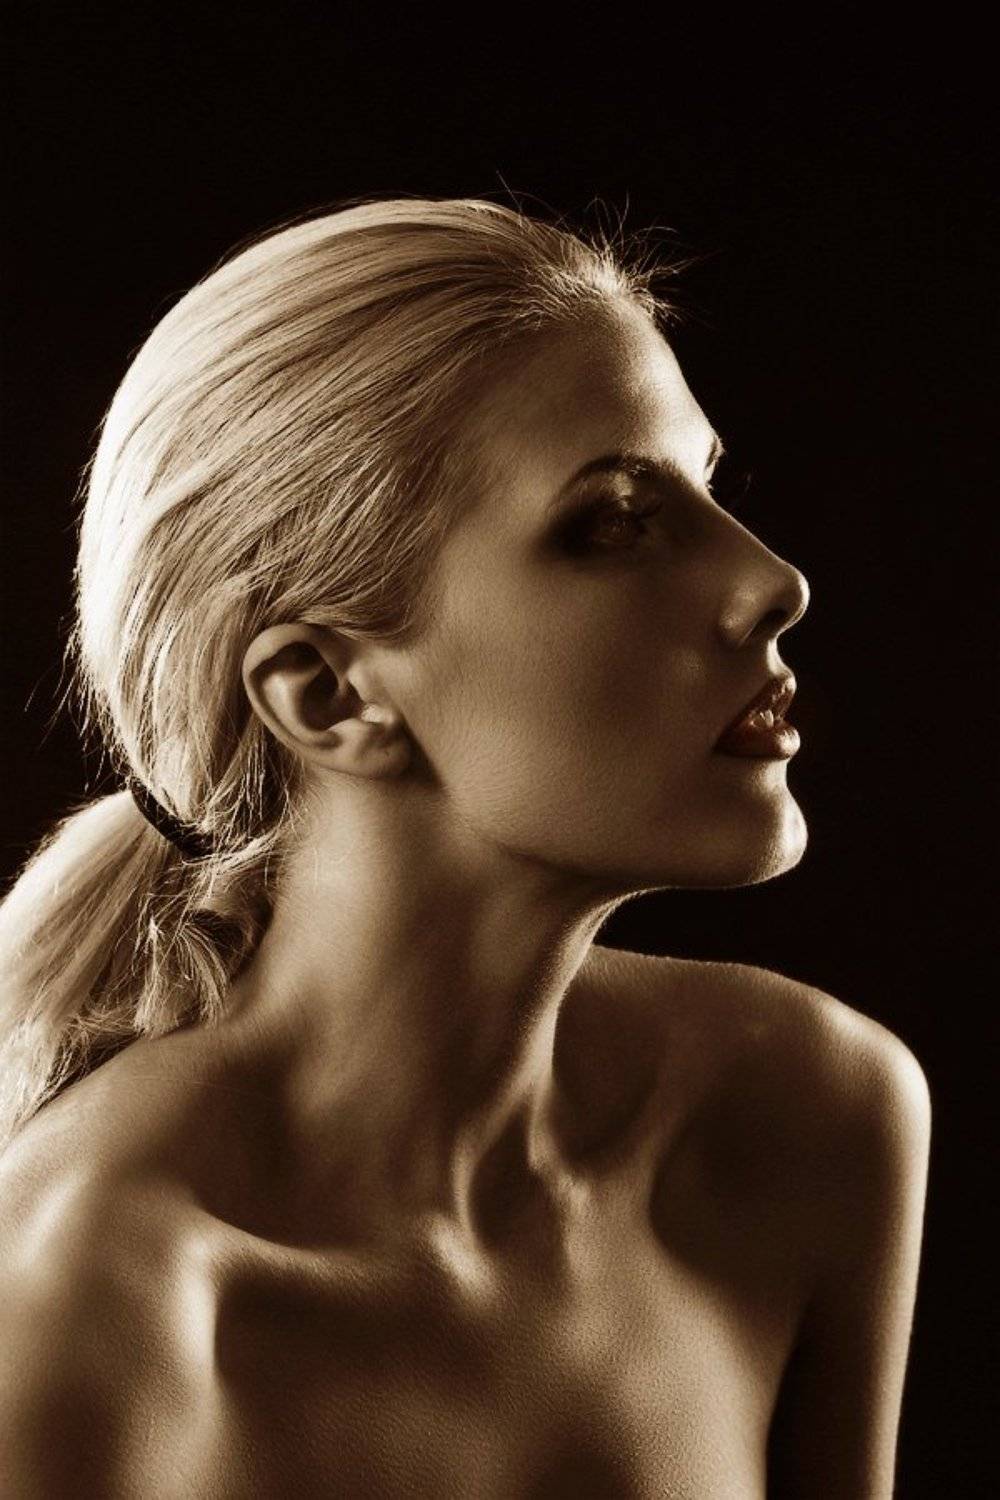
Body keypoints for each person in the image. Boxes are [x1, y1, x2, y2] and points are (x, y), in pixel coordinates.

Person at [0, 197, 930, 1498]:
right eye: (615, 521)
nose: (773, 581)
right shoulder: (85, 1318)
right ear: (329, 693)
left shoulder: (806, 1117)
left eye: (707, 490)